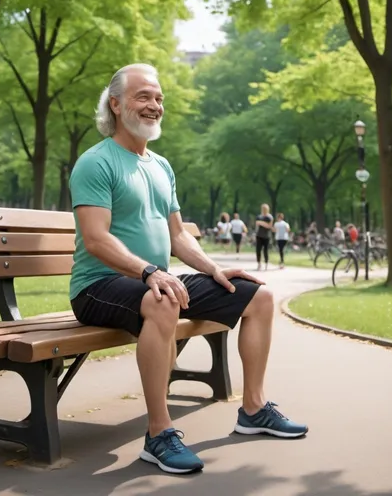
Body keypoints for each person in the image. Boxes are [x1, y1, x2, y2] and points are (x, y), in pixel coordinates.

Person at [69, 64, 308, 475]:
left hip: (152, 283)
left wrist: (215, 269)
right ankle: (159, 433)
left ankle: (253, 409)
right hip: (97, 286)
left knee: (259, 296)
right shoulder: (96, 162)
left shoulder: (161, 166)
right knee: (162, 300)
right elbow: (96, 239)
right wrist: (149, 272)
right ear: (115, 104)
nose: (154, 105)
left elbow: (179, 236)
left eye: (159, 98)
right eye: (143, 96)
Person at [255, 204, 274, 271]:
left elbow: (269, 226)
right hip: (259, 235)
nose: (264, 210)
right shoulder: (259, 216)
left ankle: (266, 263)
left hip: (266, 236)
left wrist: (261, 223)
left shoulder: (269, 217)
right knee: (258, 250)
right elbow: (257, 223)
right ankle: (259, 264)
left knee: (265, 250)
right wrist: (264, 223)